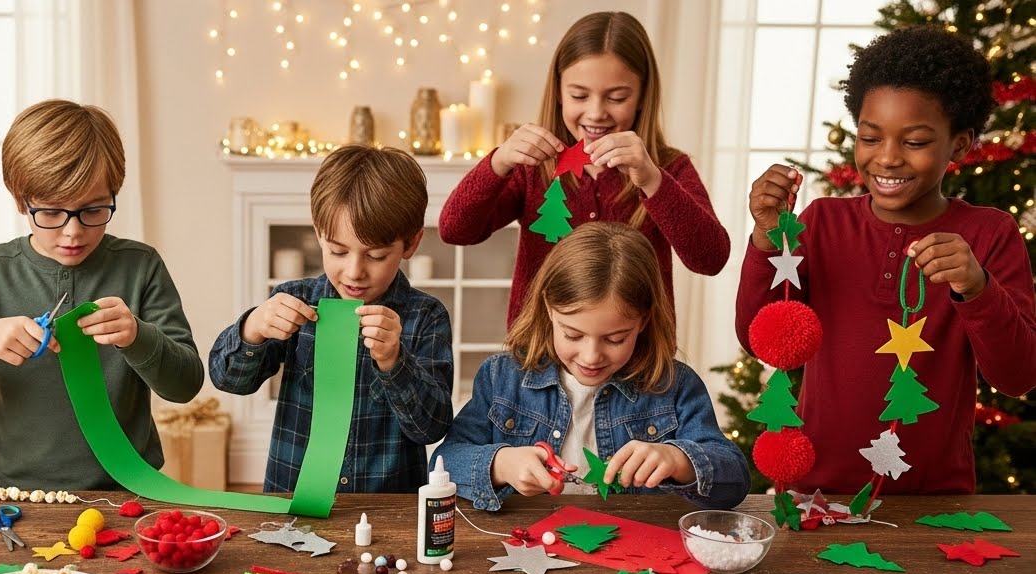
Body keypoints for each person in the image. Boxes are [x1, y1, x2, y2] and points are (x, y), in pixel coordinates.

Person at [737, 26, 1036, 494]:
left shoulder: (990, 234)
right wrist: (766, 239)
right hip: (814, 492)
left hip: (935, 503)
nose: (888, 158)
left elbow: (1018, 376)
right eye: (870, 138)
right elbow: (759, 337)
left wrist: (977, 289)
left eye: (914, 142)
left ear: (959, 144)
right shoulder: (822, 222)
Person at [0, 99, 203, 491]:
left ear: (114, 194)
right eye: (51, 212)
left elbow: (185, 385)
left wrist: (138, 336)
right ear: (21, 200)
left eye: (92, 210)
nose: (73, 232)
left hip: (129, 487)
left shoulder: (141, 267)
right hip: (14, 491)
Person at [438, 10, 729, 327]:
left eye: (616, 97)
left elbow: (710, 259)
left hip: (638, 366)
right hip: (538, 358)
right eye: (579, 95)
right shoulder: (534, 168)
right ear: (559, 93)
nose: (596, 112)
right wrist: (498, 162)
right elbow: (455, 230)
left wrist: (653, 181)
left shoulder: (667, 168)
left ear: (643, 96)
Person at [434, 222, 749, 511]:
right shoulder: (502, 378)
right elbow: (444, 462)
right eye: (572, 335)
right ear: (549, 310)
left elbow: (735, 480)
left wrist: (679, 460)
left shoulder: (673, 385)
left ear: (643, 321)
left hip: (637, 555)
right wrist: (500, 464)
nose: (591, 356)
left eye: (614, 339)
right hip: (531, 547)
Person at [209, 145, 453, 493]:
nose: (354, 271)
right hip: (293, 496)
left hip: (387, 507)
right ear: (319, 233)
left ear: (411, 244)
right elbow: (228, 379)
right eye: (337, 251)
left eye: (377, 255)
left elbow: (431, 427)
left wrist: (394, 362)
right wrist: (253, 328)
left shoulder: (425, 316)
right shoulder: (294, 299)